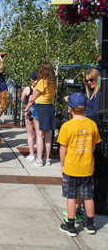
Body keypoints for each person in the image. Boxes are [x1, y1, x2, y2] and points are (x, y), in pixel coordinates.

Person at [58, 92, 101, 237]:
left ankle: (70, 225)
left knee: (71, 196)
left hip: (71, 167)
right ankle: (90, 224)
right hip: (87, 167)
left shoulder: (67, 126)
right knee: (88, 197)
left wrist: (62, 165)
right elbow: (94, 145)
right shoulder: (92, 124)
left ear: (70, 108)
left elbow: (63, 148)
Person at [25, 62, 57, 167]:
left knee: (39, 135)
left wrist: (27, 108)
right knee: (48, 135)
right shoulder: (53, 83)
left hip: (40, 107)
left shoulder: (42, 82)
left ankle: (39, 159)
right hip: (49, 107)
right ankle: (47, 158)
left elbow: (33, 98)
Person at [21, 71, 38, 161]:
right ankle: (39, 154)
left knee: (30, 135)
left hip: (29, 112)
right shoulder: (41, 89)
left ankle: (31, 154)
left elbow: (23, 100)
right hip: (38, 112)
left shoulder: (27, 89)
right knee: (39, 135)